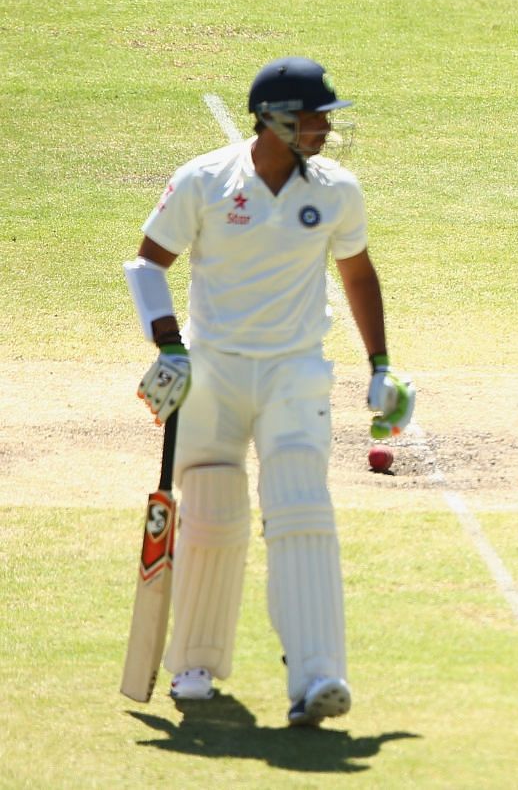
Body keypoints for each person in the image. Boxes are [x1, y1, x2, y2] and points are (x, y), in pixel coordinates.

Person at [124, 57, 413, 725]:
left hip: (294, 370)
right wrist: (168, 341)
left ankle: (317, 678)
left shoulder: (338, 189)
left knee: (302, 507)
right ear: (275, 117)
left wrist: (380, 363)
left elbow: (358, 273)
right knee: (215, 510)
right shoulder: (204, 179)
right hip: (214, 369)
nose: (323, 129)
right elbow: (147, 263)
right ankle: (193, 664)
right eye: (313, 116)